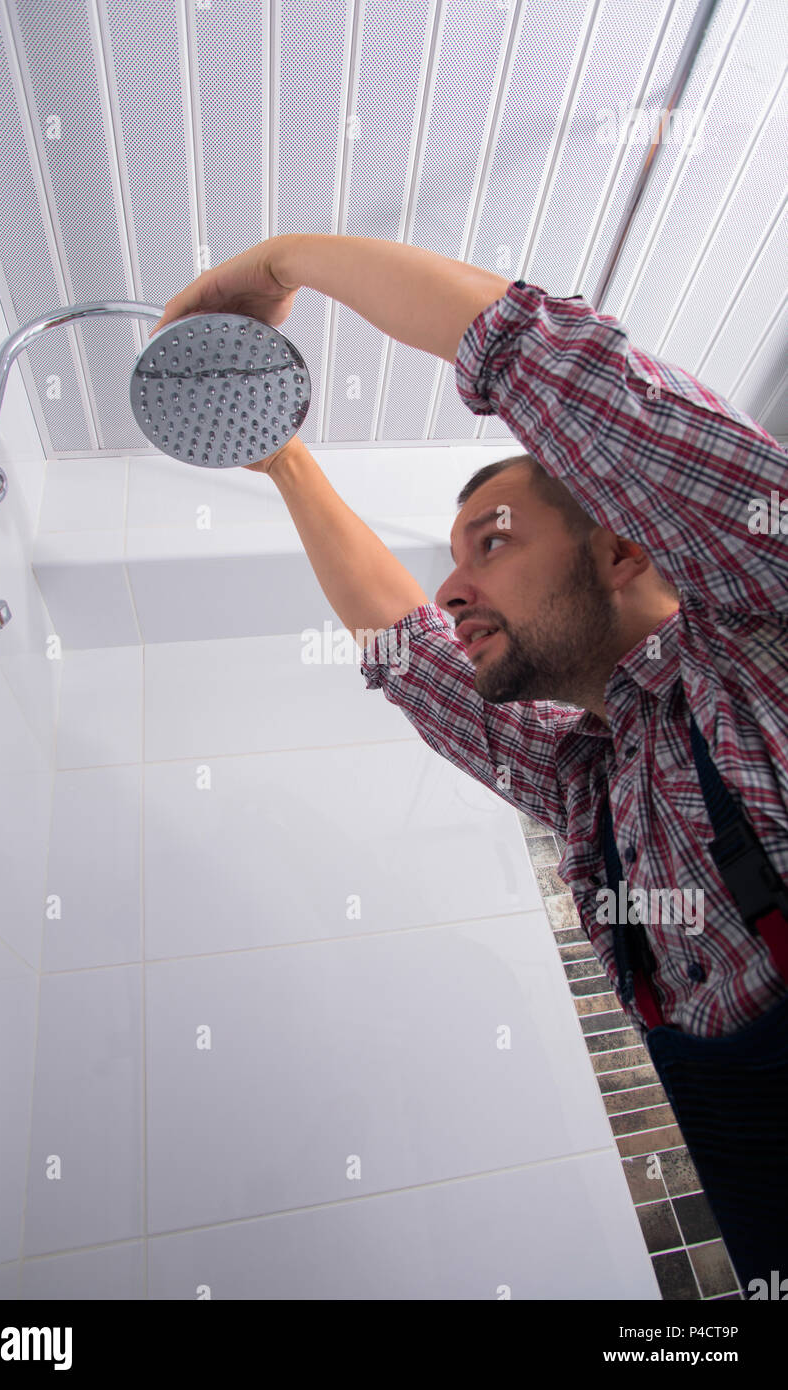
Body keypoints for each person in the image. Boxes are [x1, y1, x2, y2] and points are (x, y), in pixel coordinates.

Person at [152, 234, 788, 1296]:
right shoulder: (584, 780)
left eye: (489, 543)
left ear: (626, 548)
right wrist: (282, 457)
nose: (450, 591)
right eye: (450, 563)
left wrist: (283, 261)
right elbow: (402, 647)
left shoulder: (759, 635)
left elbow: (550, 365)